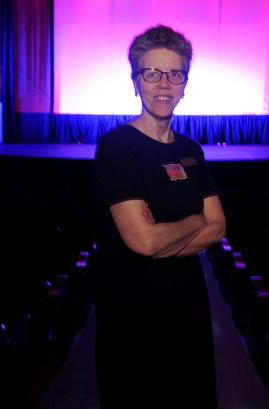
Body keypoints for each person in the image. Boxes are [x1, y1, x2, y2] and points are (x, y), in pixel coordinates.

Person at [90, 24, 227, 409]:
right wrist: (193, 222)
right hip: (132, 315)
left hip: (188, 308)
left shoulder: (190, 150)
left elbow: (219, 225)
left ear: (185, 83)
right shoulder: (117, 147)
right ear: (136, 82)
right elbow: (144, 242)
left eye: (175, 74)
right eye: (151, 73)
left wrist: (166, 238)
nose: (164, 84)